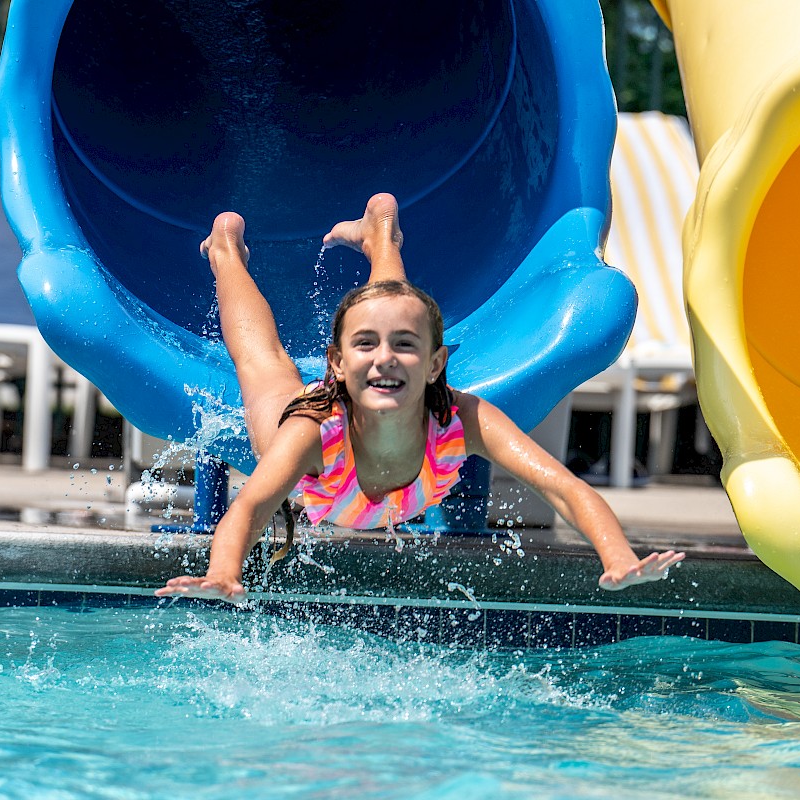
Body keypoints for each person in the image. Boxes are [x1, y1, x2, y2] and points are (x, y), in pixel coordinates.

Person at [157, 193, 685, 603]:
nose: (384, 357)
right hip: (325, 443)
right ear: (336, 363)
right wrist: (224, 573)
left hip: (373, 436)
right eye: (363, 347)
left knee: (395, 311)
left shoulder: (463, 418)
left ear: (437, 365)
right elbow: (249, 508)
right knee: (262, 362)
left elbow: (564, 487)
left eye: (406, 350)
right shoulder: (308, 431)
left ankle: (380, 233)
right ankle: (227, 249)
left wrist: (618, 559)